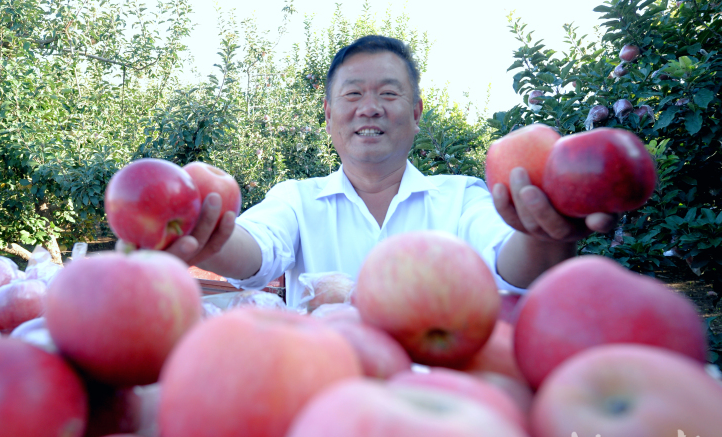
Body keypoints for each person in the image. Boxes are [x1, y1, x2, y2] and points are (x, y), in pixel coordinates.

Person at [164, 35, 618, 305]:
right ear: (328, 114)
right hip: (325, 396)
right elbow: (257, 255)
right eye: (353, 94)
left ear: (416, 112)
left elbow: (509, 263)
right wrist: (209, 235)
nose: (370, 109)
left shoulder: (461, 196)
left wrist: (545, 232)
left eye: (388, 93)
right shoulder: (297, 199)